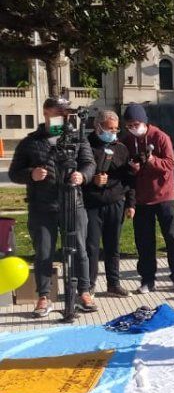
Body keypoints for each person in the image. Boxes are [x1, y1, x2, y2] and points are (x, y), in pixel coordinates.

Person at [9, 98, 95, 319]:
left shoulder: (77, 138)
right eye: (56, 114)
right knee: (44, 252)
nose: (60, 119)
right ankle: (44, 296)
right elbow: (14, 172)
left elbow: (89, 163)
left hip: (73, 204)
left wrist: (82, 175)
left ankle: (84, 292)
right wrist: (31, 174)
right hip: (42, 207)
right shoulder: (31, 142)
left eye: (64, 115)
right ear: (46, 113)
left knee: (79, 249)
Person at [121, 104, 174, 293]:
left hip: (164, 196)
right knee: (144, 241)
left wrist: (151, 160)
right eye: (129, 125)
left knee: (172, 238)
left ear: (144, 122)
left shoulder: (160, 137)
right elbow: (124, 168)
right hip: (141, 199)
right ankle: (147, 279)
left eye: (136, 124)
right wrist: (132, 168)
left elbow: (170, 163)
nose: (133, 128)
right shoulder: (126, 141)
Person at [83, 110, 135, 298]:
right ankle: (89, 285)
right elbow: (78, 174)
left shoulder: (120, 148)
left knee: (113, 245)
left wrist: (130, 203)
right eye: (110, 129)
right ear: (98, 127)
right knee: (91, 246)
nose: (113, 132)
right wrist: (92, 180)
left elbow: (129, 179)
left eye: (116, 129)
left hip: (115, 202)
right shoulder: (86, 146)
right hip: (92, 204)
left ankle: (113, 283)